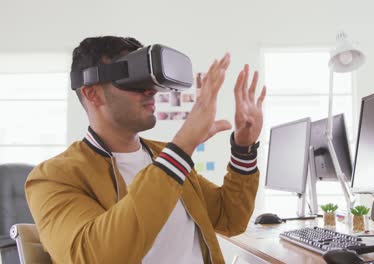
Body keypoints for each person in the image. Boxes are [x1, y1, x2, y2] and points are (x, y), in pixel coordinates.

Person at [25, 36, 266, 264]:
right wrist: (182, 148)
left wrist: (243, 149)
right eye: (134, 80)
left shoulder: (165, 158)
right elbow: (95, 257)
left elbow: (230, 219)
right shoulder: (52, 177)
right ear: (92, 93)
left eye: (150, 81)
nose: (150, 90)